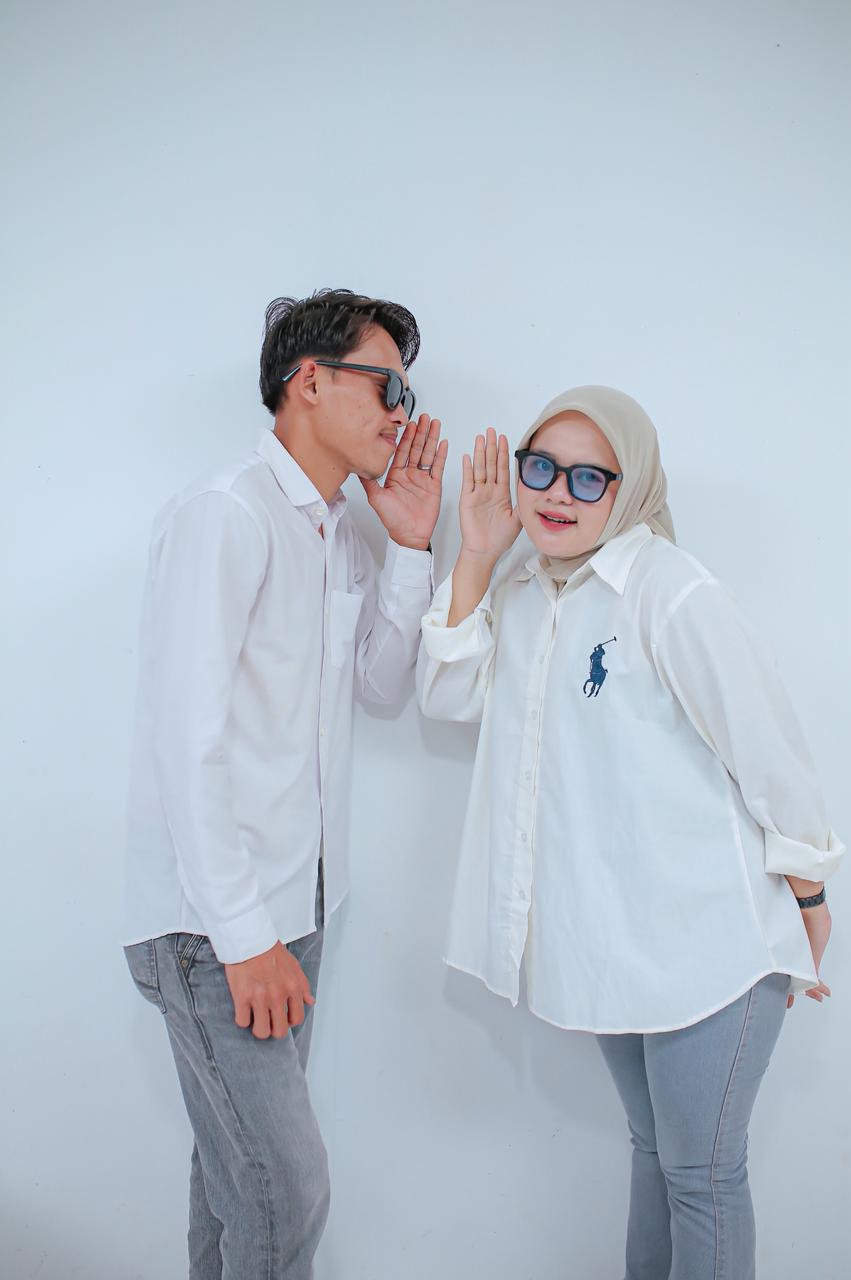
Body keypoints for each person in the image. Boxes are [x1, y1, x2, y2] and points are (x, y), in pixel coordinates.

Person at [416, 386, 843, 1280]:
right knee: (658, 1158)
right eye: (540, 468)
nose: (556, 493)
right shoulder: (523, 590)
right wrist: (478, 555)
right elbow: (448, 697)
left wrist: (809, 896)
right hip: (614, 947)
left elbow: (770, 751)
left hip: (710, 946)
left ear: (632, 486)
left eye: (588, 477)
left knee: (702, 1176)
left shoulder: (670, 592)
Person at [123, 288, 446, 1279]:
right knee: (286, 1192)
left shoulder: (339, 528)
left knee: (236, 1185)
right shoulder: (227, 513)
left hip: (296, 909)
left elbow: (382, 687)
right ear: (309, 381)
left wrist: (408, 546)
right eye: (385, 384)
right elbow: (187, 742)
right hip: (216, 926)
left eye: (405, 391)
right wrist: (244, 936)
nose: (400, 411)